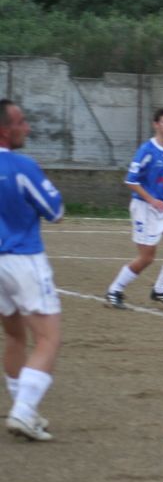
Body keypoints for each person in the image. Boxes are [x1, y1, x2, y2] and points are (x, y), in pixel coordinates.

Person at [0, 99, 65, 441]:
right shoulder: (21, 166)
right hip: (23, 259)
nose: (27, 127)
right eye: (21, 122)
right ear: (4, 130)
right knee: (48, 338)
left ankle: (23, 408)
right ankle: (23, 412)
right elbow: (56, 211)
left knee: (14, 336)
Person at [105, 108, 163, 310]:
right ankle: (114, 290)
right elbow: (131, 180)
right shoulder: (147, 150)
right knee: (147, 257)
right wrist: (151, 199)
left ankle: (160, 290)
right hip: (144, 207)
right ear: (156, 125)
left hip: (162, 208)